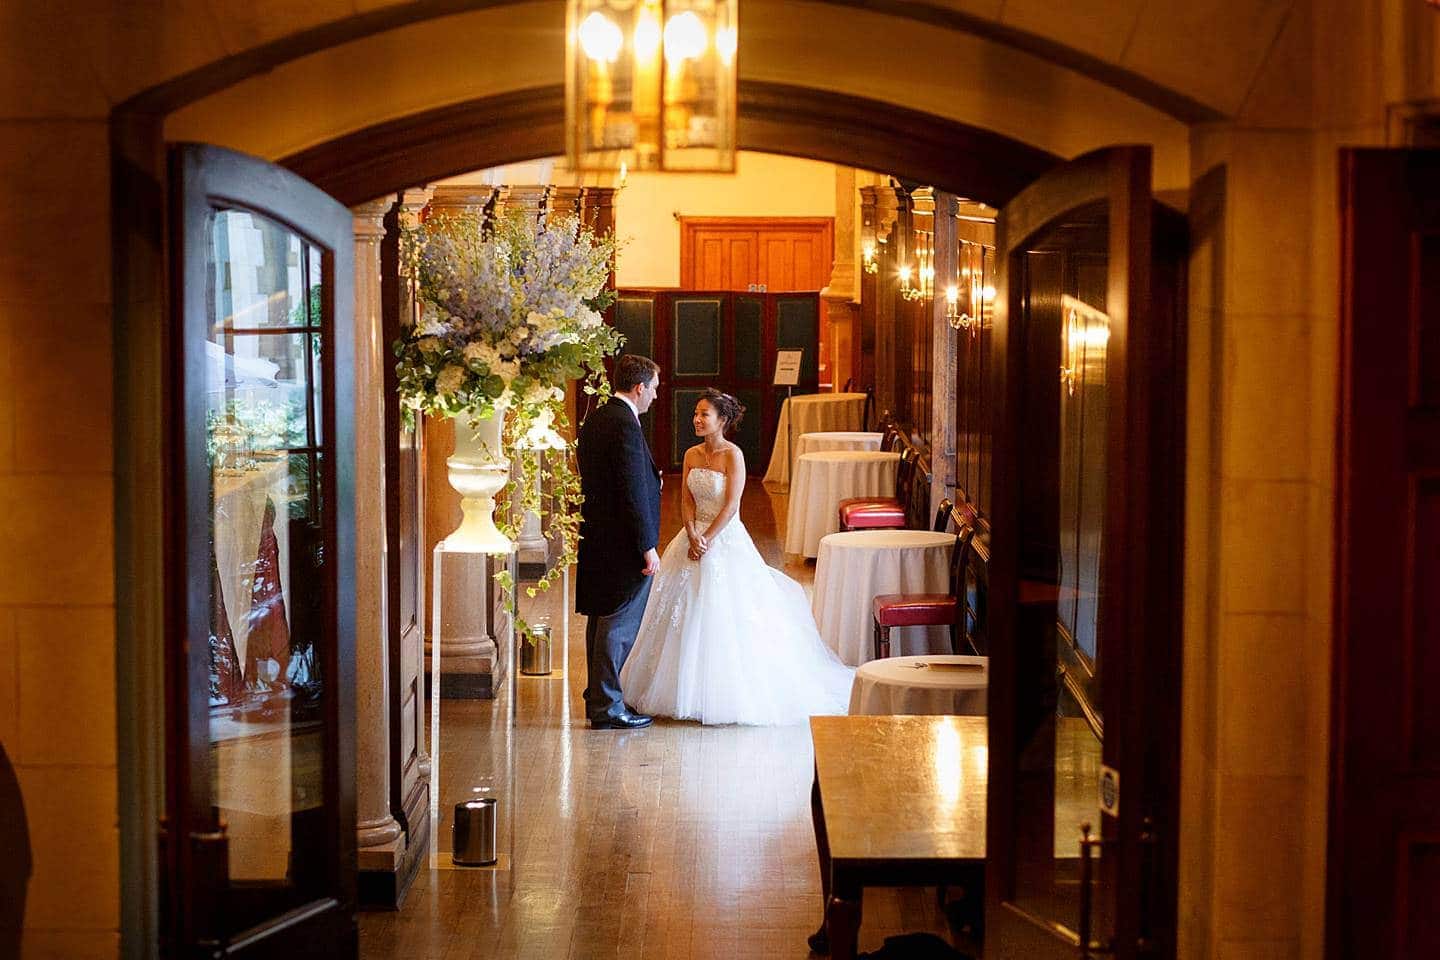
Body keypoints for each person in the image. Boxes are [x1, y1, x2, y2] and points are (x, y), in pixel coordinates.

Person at [620, 389, 854, 725]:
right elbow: (686, 499)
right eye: (696, 414)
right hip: (692, 537)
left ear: (722, 420)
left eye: (704, 414)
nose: (696, 420)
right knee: (679, 608)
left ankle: (718, 692)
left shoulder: (734, 455)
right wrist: (691, 532)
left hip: (723, 538)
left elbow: (731, 506)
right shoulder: (691, 454)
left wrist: (707, 539)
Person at [576, 353, 663, 729]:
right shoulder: (624, 424)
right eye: (654, 388)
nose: (655, 396)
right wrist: (647, 546)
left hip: (599, 537)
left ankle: (599, 699)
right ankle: (607, 707)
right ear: (639, 387)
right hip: (622, 544)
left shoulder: (598, 417)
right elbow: (631, 490)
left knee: (601, 621)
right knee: (618, 626)